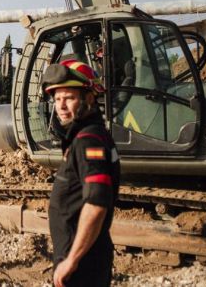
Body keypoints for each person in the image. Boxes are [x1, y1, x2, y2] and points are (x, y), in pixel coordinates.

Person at [43, 59, 120, 287]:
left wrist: (72, 260)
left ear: (88, 98)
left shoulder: (87, 141)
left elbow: (97, 203)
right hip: (89, 255)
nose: (61, 106)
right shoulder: (92, 135)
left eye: (69, 98)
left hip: (82, 263)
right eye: (57, 99)